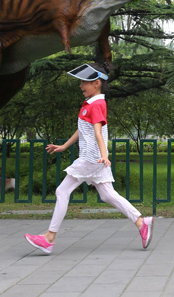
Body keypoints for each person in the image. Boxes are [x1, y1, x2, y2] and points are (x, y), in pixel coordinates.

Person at [24, 62, 153, 255]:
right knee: (107, 195)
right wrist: (64, 146)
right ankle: (141, 223)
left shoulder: (97, 104)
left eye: (84, 82)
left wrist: (103, 156)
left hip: (91, 158)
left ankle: (49, 238)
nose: (80, 85)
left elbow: (98, 133)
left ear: (96, 83)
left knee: (62, 191)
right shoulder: (91, 103)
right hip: (95, 158)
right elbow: (82, 129)